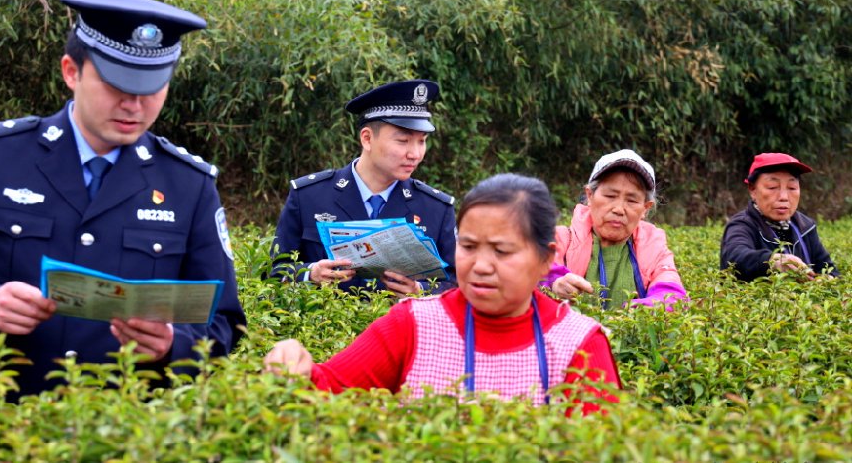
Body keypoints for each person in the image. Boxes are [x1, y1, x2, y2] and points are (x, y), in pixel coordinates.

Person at [0, 0, 246, 400]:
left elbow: (223, 321)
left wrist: (174, 345)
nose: (134, 104)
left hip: (133, 434)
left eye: (151, 87)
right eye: (116, 84)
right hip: (7, 425)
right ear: (71, 72)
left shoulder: (188, 185)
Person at [264, 174, 621, 413]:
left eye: (501, 251)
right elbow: (329, 391)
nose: (480, 265)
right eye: (468, 246)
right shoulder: (412, 323)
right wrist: (294, 364)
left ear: (545, 259)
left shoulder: (579, 344)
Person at [271, 80, 456, 298]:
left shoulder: (435, 209)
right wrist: (309, 274)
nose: (415, 154)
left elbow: (457, 285)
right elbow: (273, 273)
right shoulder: (309, 196)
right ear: (367, 138)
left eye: (422, 141)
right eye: (403, 141)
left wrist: (420, 290)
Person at [543, 149, 688, 310]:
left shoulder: (654, 250)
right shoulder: (561, 238)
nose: (619, 209)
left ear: (645, 209)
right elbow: (531, 273)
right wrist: (554, 282)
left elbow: (673, 295)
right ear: (590, 196)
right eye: (610, 196)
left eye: (632, 200)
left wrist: (636, 313)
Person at [720, 152, 840, 281]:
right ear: (752, 190)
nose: (784, 197)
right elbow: (734, 257)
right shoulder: (742, 225)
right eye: (773, 187)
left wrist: (827, 279)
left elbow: (829, 269)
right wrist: (773, 261)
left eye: (792, 188)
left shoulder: (806, 226)